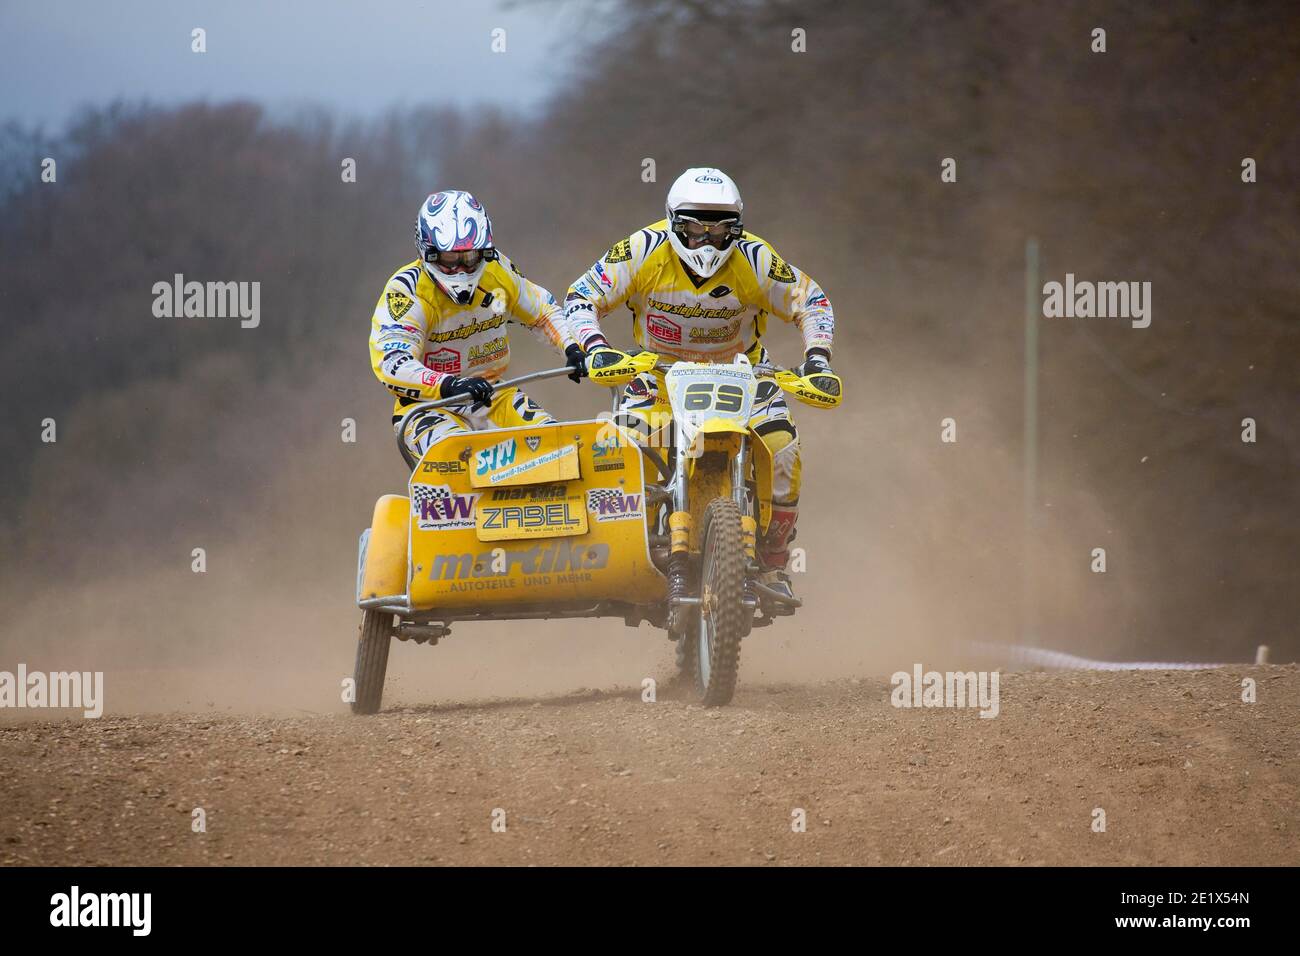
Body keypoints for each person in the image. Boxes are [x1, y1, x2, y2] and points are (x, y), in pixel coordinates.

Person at [561, 167, 836, 598]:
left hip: (741, 372)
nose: (706, 241)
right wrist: (596, 347)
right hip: (658, 373)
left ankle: (773, 560)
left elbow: (812, 302)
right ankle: (632, 544)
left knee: (784, 450)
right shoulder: (641, 249)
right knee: (624, 450)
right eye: (693, 228)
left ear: (737, 228)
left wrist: (817, 359)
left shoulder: (756, 258)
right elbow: (581, 296)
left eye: (720, 230)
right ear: (673, 221)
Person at [368, 190, 586, 462]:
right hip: (429, 406)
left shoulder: (497, 271)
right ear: (428, 252)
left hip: (493, 395)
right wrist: (448, 384)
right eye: (450, 258)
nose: (461, 269)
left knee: (558, 450)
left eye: (470, 257)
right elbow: (392, 363)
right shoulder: (407, 291)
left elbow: (542, 310)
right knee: (463, 460)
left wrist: (573, 348)